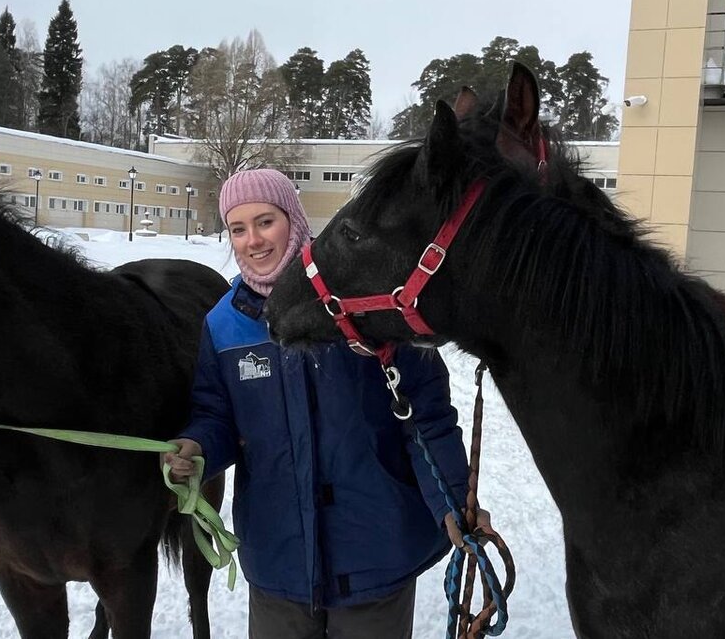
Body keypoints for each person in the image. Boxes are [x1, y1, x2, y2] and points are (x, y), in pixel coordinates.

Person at [163, 168, 486, 639]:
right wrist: (196, 447)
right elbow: (219, 417)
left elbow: (426, 417)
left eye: (265, 221)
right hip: (279, 560)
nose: (253, 239)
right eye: (238, 227)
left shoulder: (366, 301)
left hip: (376, 553)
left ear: (292, 219)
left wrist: (454, 501)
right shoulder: (223, 325)